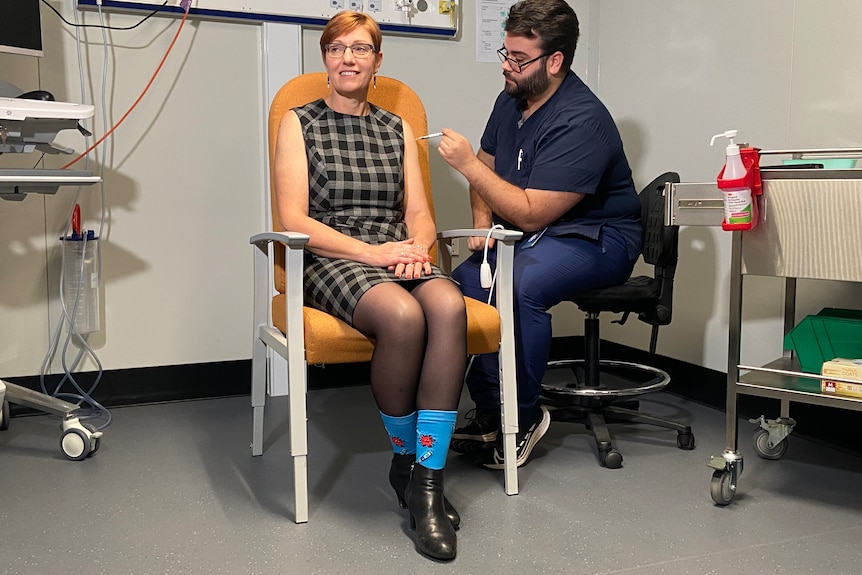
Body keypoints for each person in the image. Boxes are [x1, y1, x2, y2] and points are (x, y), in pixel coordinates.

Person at [273, 11, 464, 562]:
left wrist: (416, 251)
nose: (348, 58)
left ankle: (424, 480)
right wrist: (372, 253)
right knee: (403, 319)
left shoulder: (396, 127)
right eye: (337, 49)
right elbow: (296, 220)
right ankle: (405, 457)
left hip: (396, 253)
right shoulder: (298, 122)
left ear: (378, 61)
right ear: (326, 60)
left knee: (448, 306)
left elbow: (420, 214)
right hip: (332, 255)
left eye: (360, 49)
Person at [437, 0, 642, 470]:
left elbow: (530, 214)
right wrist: (483, 224)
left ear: (555, 61)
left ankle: (524, 417)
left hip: (598, 236)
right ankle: (492, 409)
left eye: (519, 58)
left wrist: (467, 164)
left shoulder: (582, 119)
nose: (507, 67)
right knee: (464, 285)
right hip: (532, 232)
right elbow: (486, 171)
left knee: (515, 285)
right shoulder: (510, 97)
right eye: (504, 53)